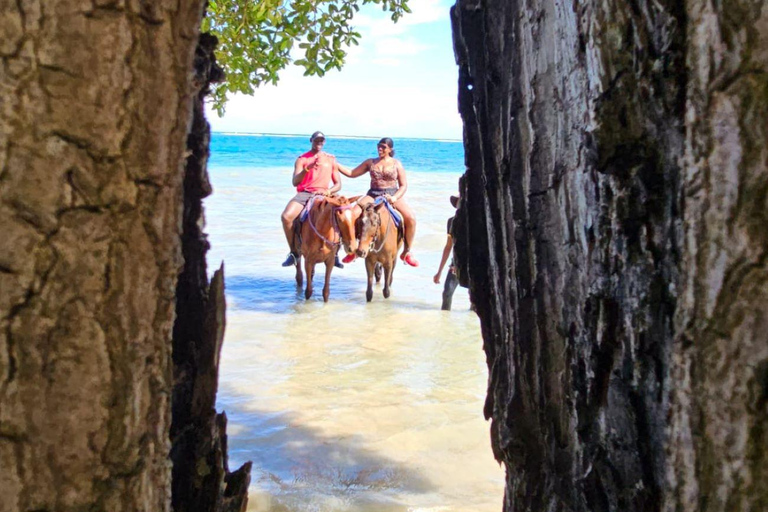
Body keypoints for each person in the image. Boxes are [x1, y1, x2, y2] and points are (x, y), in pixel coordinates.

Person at [337, 137, 419, 267]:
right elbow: (352, 173)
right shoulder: (371, 162)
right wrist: (335, 164)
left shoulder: (396, 164)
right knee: (352, 214)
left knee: (411, 218)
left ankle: (407, 252)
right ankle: (353, 249)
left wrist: (395, 198)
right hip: (373, 194)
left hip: (392, 194)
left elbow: (403, 185)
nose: (380, 148)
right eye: (378, 146)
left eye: (383, 147)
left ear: (390, 149)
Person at [280, 131, 344, 268]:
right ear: (311, 140)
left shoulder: (331, 159)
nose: (319, 143)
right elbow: (295, 182)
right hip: (305, 193)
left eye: (321, 140)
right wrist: (307, 169)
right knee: (286, 217)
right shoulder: (302, 159)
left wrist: (328, 191)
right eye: (316, 140)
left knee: (343, 215)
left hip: (324, 194)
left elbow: (338, 184)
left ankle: (337, 252)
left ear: (324, 142)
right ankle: (294, 253)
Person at [434, 195, 460, 310]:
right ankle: (444, 320)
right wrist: (439, 271)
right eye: (459, 202)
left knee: (474, 299)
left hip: (474, 264)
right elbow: (448, 246)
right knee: (447, 293)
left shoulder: (474, 222)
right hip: (456, 263)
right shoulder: (451, 222)